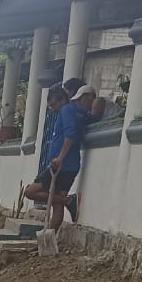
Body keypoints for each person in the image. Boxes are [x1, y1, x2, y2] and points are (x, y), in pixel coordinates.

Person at [24, 85, 87, 229]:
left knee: (30, 191)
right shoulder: (76, 112)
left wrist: (60, 158)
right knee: (57, 206)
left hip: (62, 166)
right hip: (68, 166)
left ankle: (68, 200)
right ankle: (49, 238)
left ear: (62, 99)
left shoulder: (66, 110)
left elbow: (70, 134)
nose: (52, 109)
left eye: (53, 104)